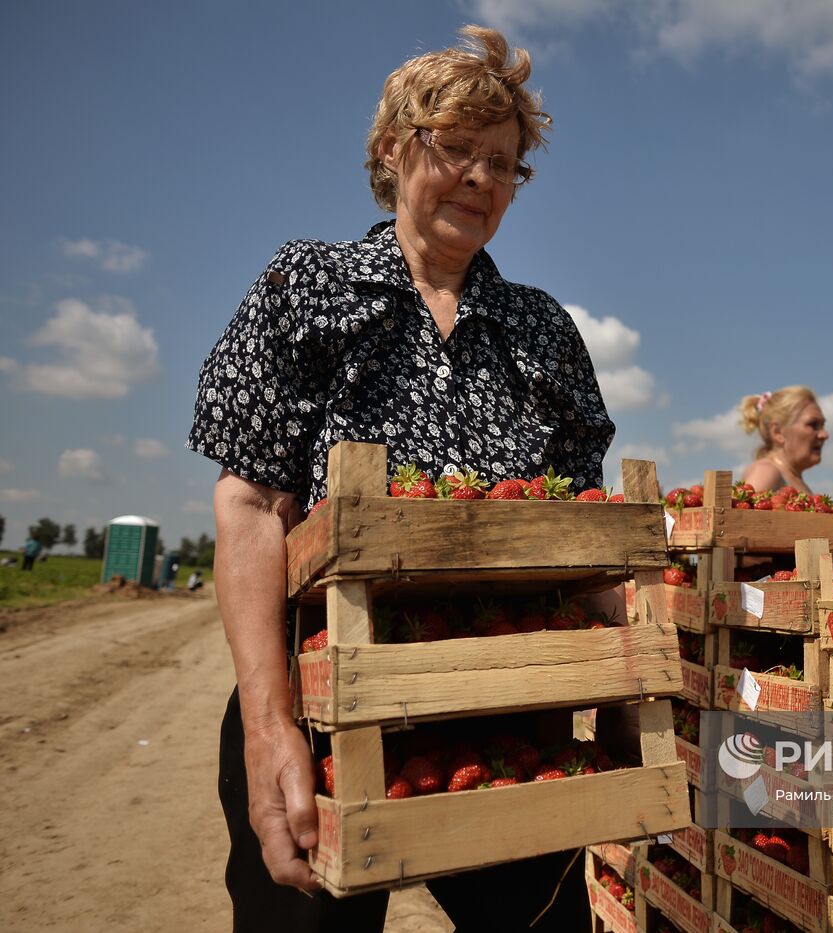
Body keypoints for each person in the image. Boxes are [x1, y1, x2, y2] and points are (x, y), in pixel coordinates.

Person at [187, 25, 611, 932]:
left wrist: (637, 709)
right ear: (392, 150)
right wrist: (270, 732)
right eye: (456, 149)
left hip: (500, 713)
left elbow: (585, 542)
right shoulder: (309, 289)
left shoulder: (543, 333)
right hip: (325, 708)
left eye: (502, 162)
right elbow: (253, 504)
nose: (481, 178)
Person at [738, 386, 829, 494]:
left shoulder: (790, 478)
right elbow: (741, 510)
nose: (824, 434)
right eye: (813, 424)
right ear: (778, 432)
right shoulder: (767, 472)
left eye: (822, 425)